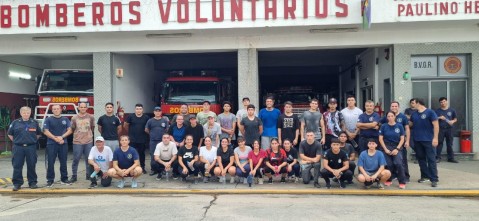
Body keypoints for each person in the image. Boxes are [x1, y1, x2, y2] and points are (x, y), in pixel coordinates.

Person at [8, 106, 42, 191]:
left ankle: (32, 182)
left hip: (31, 147)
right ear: (21, 113)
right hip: (18, 147)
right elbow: (10, 134)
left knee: (31, 165)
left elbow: (38, 134)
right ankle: (17, 183)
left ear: (30, 113)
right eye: (24, 112)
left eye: (28, 113)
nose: (26, 114)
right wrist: (18, 141)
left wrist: (31, 141)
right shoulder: (15, 122)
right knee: (17, 166)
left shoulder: (34, 122)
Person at [410, 98, 439, 187]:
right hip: (417, 140)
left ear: (418, 103)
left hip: (429, 140)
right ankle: (425, 176)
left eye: (413, 103)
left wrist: (435, 138)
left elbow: (436, 125)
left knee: (431, 160)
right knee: (421, 159)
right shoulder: (414, 114)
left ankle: (434, 179)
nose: (411, 105)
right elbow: (410, 124)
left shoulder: (430, 112)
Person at [380, 101, 411, 182]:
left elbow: (407, 129)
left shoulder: (403, 117)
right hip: (387, 144)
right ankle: (392, 175)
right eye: (392, 106)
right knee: (389, 162)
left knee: (401, 161)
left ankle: (405, 176)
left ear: (398, 107)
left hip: (399, 143)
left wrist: (407, 141)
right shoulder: (386, 118)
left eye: (396, 106)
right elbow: (379, 124)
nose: (394, 108)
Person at [43, 104, 73, 187]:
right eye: (54, 109)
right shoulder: (48, 120)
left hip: (63, 143)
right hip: (51, 144)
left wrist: (62, 137)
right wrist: (55, 138)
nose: (56, 110)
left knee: (63, 162)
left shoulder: (65, 119)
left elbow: (70, 130)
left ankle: (64, 179)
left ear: (60, 110)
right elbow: (45, 131)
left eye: (57, 109)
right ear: (52, 111)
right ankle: (50, 180)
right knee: (50, 163)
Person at [379, 111, 406, 189]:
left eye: (392, 116)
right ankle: (388, 179)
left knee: (398, 163)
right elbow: (380, 139)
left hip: (396, 146)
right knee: (388, 164)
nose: (390, 118)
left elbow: (402, 139)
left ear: (395, 117)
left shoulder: (399, 126)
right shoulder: (384, 126)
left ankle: (402, 181)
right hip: (386, 146)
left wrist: (397, 149)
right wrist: (385, 149)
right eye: (388, 116)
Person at [69, 102, 95, 183]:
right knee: (76, 159)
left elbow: (92, 127)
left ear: (87, 108)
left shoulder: (91, 117)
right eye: (81, 107)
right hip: (77, 142)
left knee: (89, 159)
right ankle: (74, 175)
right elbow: (72, 128)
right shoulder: (74, 118)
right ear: (78, 108)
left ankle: (88, 175)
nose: (83, 108)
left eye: (84, 107)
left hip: (88, 141)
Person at [124, 103, 150, 174]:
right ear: (135, 109)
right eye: (137, 109)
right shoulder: (130, 116)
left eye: (140, 109)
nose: (138, 110)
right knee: (131, 154)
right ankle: (131, 168)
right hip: (132, 139)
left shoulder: (146, 117)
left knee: (142, 154)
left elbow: (148, 127)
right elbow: (126, 125)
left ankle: (142, 167)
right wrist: (130, 133)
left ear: (142, 110)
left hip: (142, 139)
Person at [145, 106, 170, 176]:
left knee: (162, 155)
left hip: (162, 141)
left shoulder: (164, 120)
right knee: (153, 155)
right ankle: (153, 169)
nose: (158, 112)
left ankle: (162, 169)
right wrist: (152, 134)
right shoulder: (150, 120)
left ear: (161, 112)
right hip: (153, 141)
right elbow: (146, 129)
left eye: (159, 111)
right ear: (154, 112)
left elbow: (167, 129)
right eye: (156, 111)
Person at [435, 97, 458, 163]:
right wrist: (439, 117)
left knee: (449, 143)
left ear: (447, 102)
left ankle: (451, 158)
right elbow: (433, 118)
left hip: (449, 129)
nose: (443, 103)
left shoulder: (452, 110)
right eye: (441, 102)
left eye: (444, 101)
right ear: (440, 103)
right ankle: (438, 158)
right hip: (441, 129)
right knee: (439, 143)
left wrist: (452, 121)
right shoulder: (437, 111)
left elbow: (455, 118)